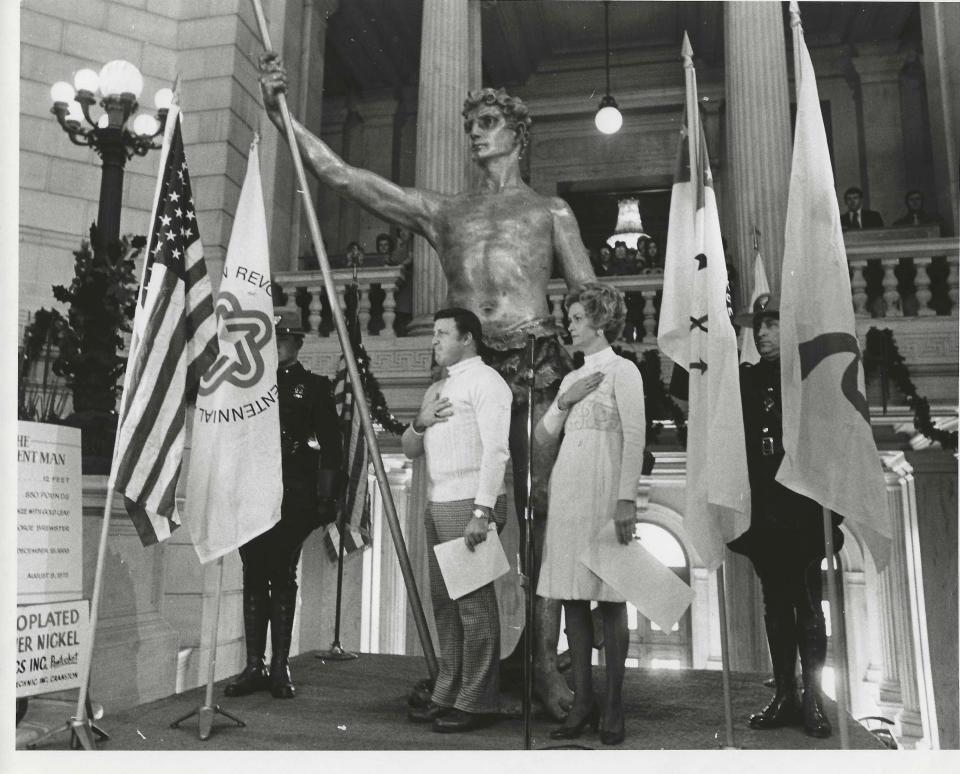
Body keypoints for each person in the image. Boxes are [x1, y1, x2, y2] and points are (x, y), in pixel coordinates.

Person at [260, 55, 596, 718]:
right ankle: (459, 672)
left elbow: (587, 292)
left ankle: (538, 662)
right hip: (466, 375)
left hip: (533, 370)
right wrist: (283, 116)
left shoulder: (550, 211)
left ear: (517, 134)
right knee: (450, 511)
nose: (475, 133)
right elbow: (346, 177)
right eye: (470, 123)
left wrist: (607, 375)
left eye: (489, 122)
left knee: (539, 512)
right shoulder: (444, 212)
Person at [728, 292, 844, 738]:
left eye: (772, 325)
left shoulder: (808, 377)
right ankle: (785, 693)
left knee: (808, 603)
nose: (762, 333)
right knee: (774, 601)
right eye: (759, 326)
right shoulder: (747, 378)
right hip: (763, 500)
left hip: (801, 499)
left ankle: (814, 697)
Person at [535, 283, 645, 746]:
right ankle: (582, 701)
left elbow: (636, 437)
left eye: (578, 318)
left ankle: (614, 704)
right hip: (569, 493)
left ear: (600, 323)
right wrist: (566, 398)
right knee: (573, 597)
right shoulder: (568, 379)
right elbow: (543, 438)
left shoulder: (625, 371)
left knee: (611, 598)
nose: (570, 325)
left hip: (605, 491)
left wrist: (626, 499)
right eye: (570, 317)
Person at [401, 308, 512, 733]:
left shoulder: (487, 382)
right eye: (433, 333)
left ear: (468, 338)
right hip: (438, 501)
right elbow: (412, 448)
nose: (435, 340)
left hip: (471, 505)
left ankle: (478, 701)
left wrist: (482, 512)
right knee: (446, 608)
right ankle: (448, 692)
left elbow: (496, 451)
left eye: (443, 333)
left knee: (474, 608)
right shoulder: (438, 388)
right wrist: (419, 420)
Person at [224, 310, 343, 700]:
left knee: (282, 573)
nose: (276, 347)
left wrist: (327, 497)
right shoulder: (247, 387)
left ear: (297, 343)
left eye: (283, 340)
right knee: (253, 572)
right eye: (271, 340)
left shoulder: (314, 387)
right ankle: (253, 664)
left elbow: (330, 447)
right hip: (251, 491)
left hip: (294, 494)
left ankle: (279, 664)